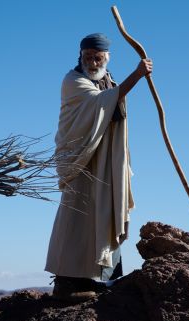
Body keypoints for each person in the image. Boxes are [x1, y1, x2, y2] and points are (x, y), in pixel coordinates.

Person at [45, 33, 153, 300]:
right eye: (88, 57)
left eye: (98, 57)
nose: (92, 62)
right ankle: (68, 281)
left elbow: (112, 104)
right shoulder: (73, 80)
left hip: (104, 161)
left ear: (107, 58)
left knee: (104, 210)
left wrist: (129, 81)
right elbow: (100, 104)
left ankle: (99, 279)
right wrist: (137, 75)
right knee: (78, 216)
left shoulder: (108, 81)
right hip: (80, 161)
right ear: (80, 56)